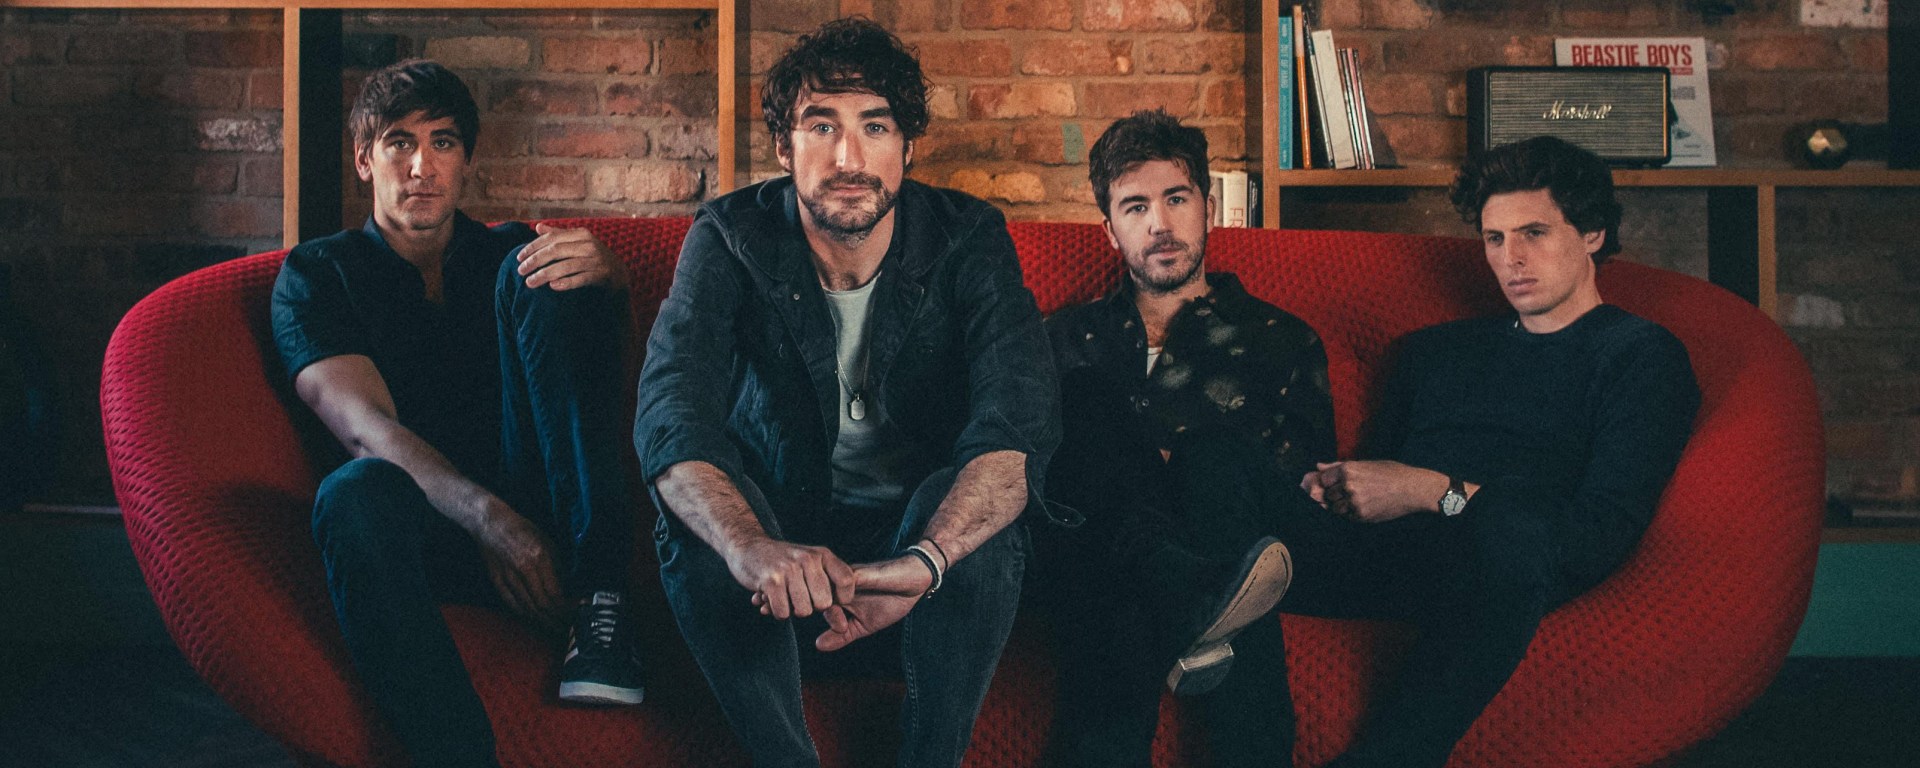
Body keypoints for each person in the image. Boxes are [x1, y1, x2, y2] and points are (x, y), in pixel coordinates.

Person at [632, 18, 1059, 768]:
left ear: (909, 146)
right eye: (822, 126)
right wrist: (750, 547)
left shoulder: (968, 238)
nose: (849, 158)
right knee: (699, 514)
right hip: (777, 588)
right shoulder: (729, 236)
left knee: (979, 515)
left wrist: (929, 559)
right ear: (783, 146)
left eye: (876, 126)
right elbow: (672, 415)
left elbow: (1016, 424)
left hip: (920, 586)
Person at [272, 59, 643, 768]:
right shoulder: (318, 274)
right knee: (353, 492)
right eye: (399, 144)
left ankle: (603, 604)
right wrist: (492, 524)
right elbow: (366, 431)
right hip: (426, 536)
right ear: (364, 160)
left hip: (546, 520)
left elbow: (606, 387)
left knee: (544, 268)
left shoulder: (510, 254)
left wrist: (614, 279)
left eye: (441, 142)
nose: (422, 167)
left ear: (466, 159)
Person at [1291, 135, 1699, 767]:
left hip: (1502, 571)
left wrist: (1430, 491)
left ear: (1592, 233)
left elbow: (1593, 535)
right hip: (1384, 557)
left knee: (1512, 524)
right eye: (1494, 238)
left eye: (1534, 233)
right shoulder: (1432, 351)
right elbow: (1380, 476)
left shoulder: (1640, 357)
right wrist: (1336, 489)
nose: (1512, 259)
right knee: (1218, 468)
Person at [1036, 109, 1334, 768]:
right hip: (1085, 554)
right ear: (1109, 230)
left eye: (1176, 199)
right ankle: (1182, 592)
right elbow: (1035, 472)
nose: (1160, 224)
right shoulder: (1063, 339)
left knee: (1210, 481)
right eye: (1135, 207)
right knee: (1086, 401)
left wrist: (1174, 465)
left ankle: (1183, 589)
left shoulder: (1281, 340)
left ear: (1209, 209)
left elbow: (1296, 493)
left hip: (1221, 537)